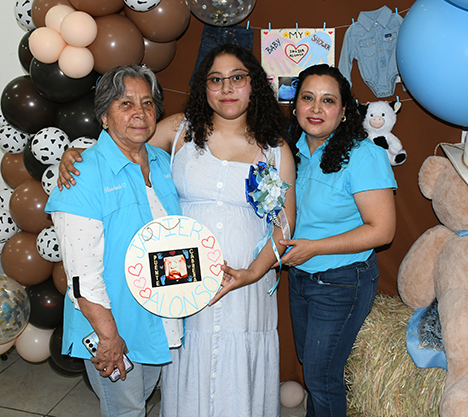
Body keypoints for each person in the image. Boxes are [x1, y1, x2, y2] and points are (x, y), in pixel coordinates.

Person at [58, 44, 296, 417]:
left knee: (235, 371)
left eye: (237, 78)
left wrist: (252, 272)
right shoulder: (179, 129)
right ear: (203, 87)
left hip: (245, 289)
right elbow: (121, 147)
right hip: (182, 287)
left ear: (255, 84)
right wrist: (77, 155)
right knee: (178, 375)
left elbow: (285, 225)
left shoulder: (276, 149)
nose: (227, 88)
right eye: (216, 79)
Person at [45, 65, 184, 417]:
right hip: (112, 323)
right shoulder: (82, 174)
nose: (140, 112)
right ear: (104, 116)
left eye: (148, 103)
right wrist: (108, 337)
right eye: (125, 103)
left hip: (156, 318)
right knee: (126, 411)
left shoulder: (162, 162)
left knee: (140, 402)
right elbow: (82, 274)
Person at [280, 64, 397, 417]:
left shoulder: (364, 155)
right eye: (308, 98)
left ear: (344, 111)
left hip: (342, 281)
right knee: (312, 366)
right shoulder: (290, 152)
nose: (316, 108)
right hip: (300, 278)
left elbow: (382, 230)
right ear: (295, 105)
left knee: (322, 377)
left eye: (328, 100)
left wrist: (315, 247)